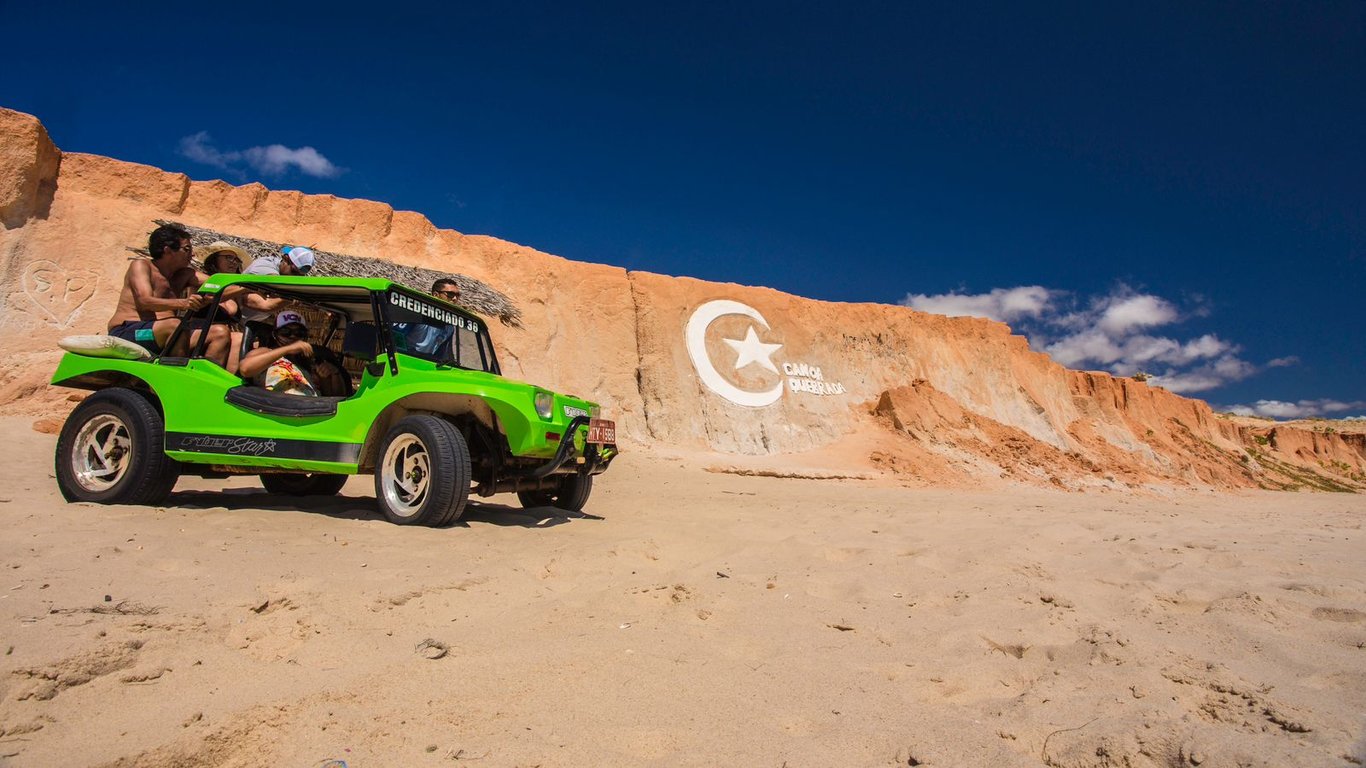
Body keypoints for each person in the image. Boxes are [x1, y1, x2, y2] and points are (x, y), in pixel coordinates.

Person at [107, 224, 229, 364]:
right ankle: (176, 379)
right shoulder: (142, 266)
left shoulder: (184, 274)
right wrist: (184, 303)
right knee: (176, 325)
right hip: (130, 332)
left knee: (220, 332)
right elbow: (145, 301)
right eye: (187, 249)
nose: (192, 254)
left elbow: (222, 287)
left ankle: (206, 382)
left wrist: (246, 287)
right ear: (168, 250)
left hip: (169, 332)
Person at [238, 311, 349, 397]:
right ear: (275, 334)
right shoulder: (266, 352)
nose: (293, 337)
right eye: (286, 333)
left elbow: (333, 397)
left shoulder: (310, 363)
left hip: (312, 409)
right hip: (280, 407)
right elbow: (245, 369)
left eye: (298, 333)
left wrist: (334, 373)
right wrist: (287, 349)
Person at [239, 245, 317, 350]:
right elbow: (267, 304)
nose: (295, 278)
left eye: (300, 276)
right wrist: (294, 295)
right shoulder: (264, 266)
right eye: (294, 272)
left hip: (246, 328)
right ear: (285, 259)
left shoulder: (287, 280)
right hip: (232, 323)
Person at [192, 241, 249, 373]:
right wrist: (243, 288)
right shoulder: (200, 280)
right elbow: (212, 296)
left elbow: (266, 305)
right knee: (237, 338)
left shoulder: (237, 291)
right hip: (202, 334)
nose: (234, 262)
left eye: (236, 259)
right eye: (228, 258)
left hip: (229, 338)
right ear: (214, 260)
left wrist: (288, 300)